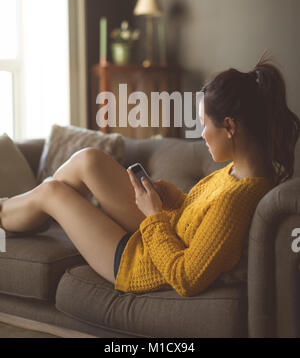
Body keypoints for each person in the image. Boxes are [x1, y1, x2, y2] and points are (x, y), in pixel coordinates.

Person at [0, 52, 299, 297]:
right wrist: (173, 199)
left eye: (204, 124)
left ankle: (6, 212)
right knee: (88, 160)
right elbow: (200, 222)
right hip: (158, 235)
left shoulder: (238, 199)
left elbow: (186, 278)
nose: (202, 134)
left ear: (230, 127)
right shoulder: (237, 172)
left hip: (138, 261)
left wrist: (154, 216)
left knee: (53, 191)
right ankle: (21, 211)